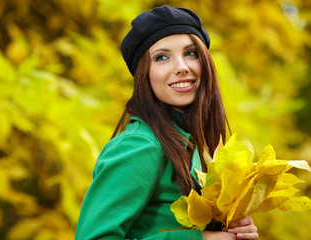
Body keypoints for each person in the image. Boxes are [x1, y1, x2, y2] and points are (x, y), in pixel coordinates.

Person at [75, 5, 259, 240]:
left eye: (191, 53)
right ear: (145, 75)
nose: (182, 67)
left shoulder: (188, 143)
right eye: (162, 57)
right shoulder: (139, 146)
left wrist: (230, 231)